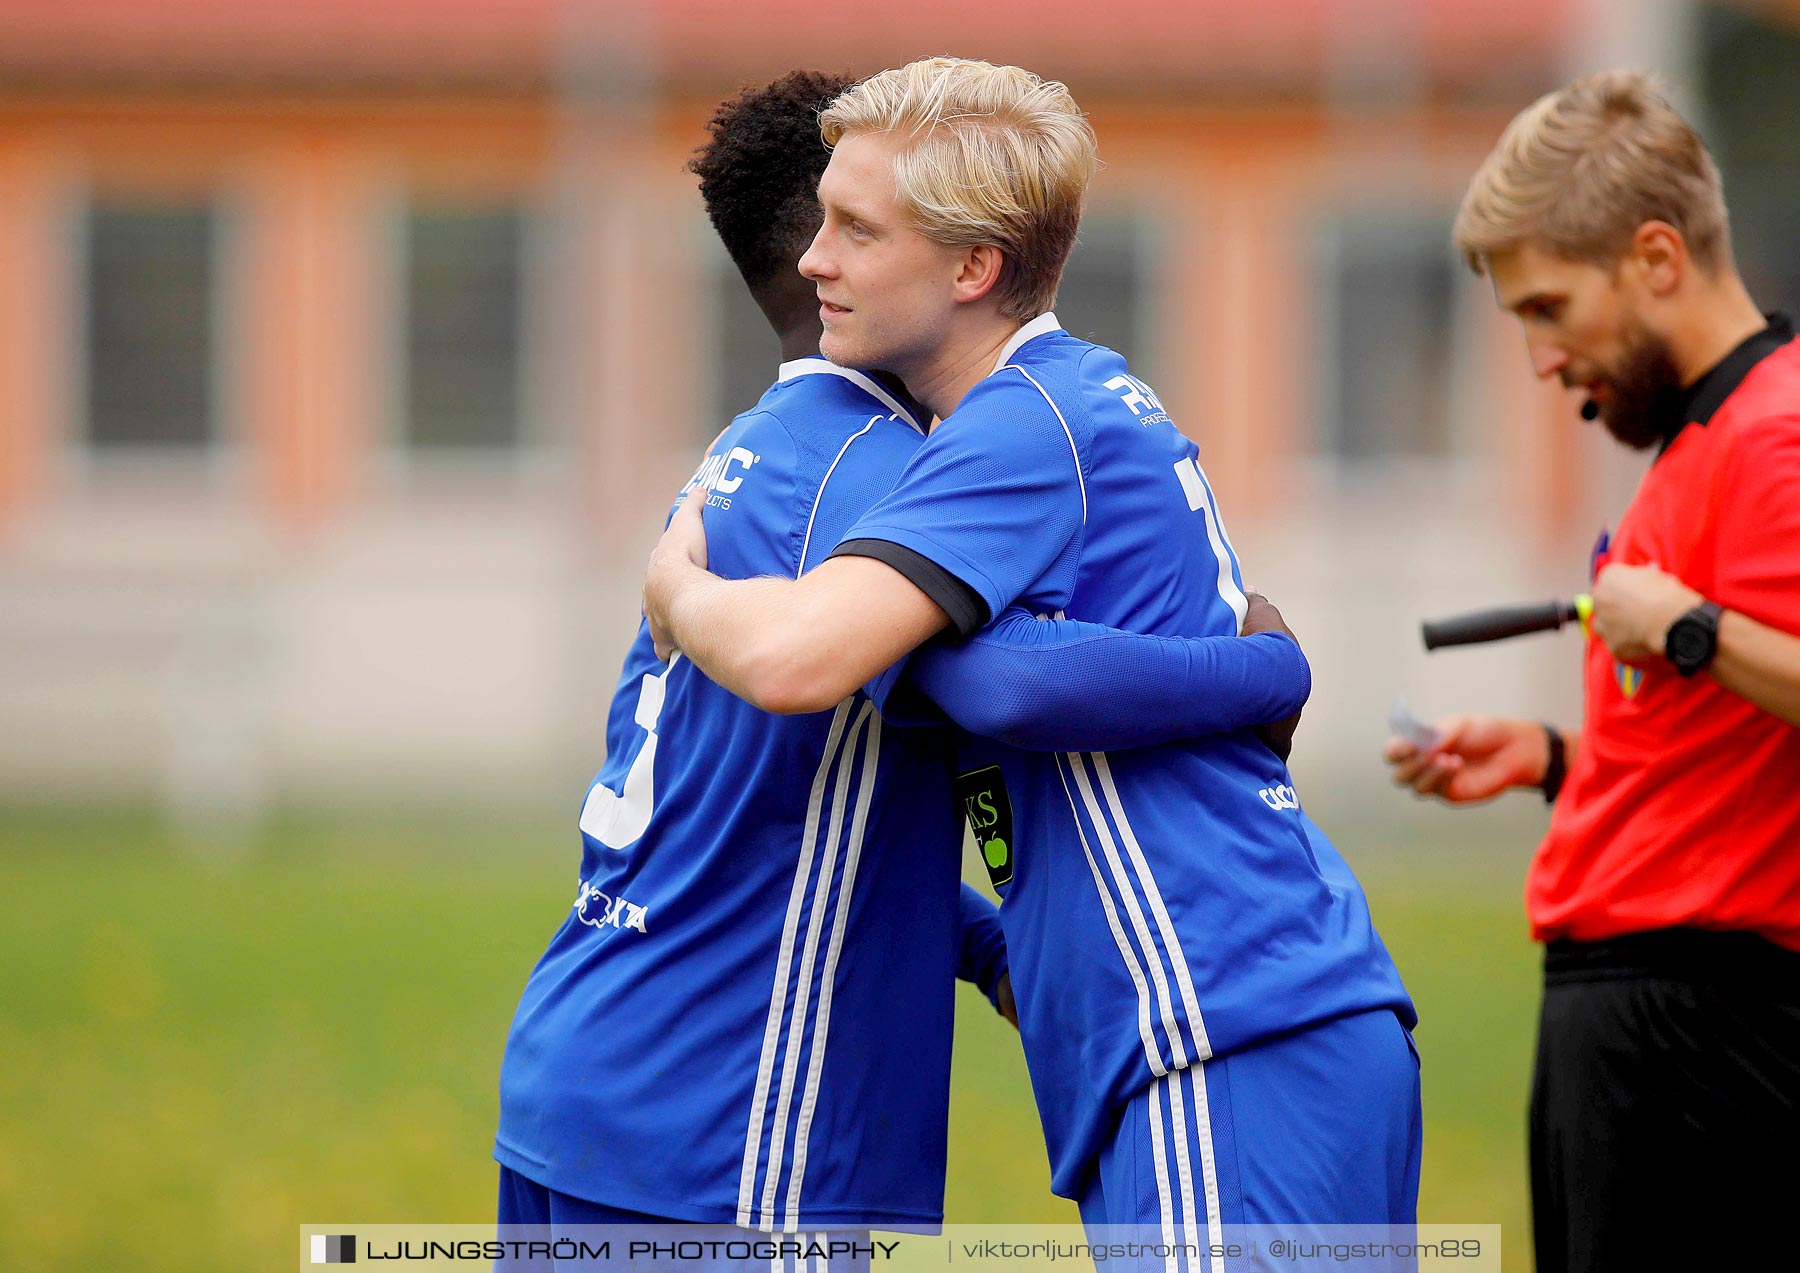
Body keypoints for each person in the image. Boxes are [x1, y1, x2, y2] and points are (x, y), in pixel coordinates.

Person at [494, 69, 1316, 1254]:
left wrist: (988, 948)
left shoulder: (742, 461)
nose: (839, 248)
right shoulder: (883, 479)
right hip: (727, 1114)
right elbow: (1006, 682)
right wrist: (1261, 670)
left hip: (591, 1059)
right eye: (841, 221)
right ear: (823, 260)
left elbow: (755, 794)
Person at [1382, 70, 1800, 1273]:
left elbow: (1720, 656)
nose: (1538, 358)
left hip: (1701, 1027)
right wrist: (1560, 762)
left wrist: (1689, 631)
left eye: (1550, 308)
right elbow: (1730, 749)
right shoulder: (1703, 437)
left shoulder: (1771, 437)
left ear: (1658, 257)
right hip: (1642, 1017)